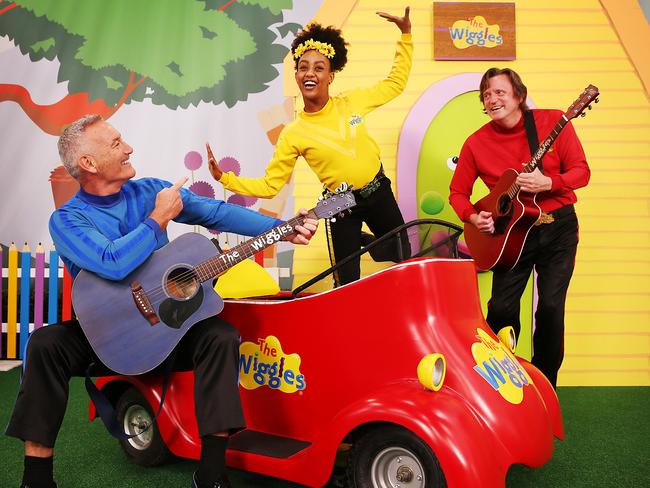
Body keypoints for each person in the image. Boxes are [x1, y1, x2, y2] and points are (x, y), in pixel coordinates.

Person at [5, 115, 318, 488]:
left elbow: (215, 213)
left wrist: (283, 227)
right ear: (88, 163)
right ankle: (36, 479)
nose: (129, 148)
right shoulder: (68, 219)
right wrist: (158, 218)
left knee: (220, 336)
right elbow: (112, 262)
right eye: (116, 143)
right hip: (108, 338)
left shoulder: (150, 190)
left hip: (168, 333)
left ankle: (212, 474)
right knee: (44, 343)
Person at [207, 7, 412, 286]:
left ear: (330, 76)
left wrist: (406, 35)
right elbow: (270, 186)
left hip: (378, 190)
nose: (309, 73)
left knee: (404, 255)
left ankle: (370, 244)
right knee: (347, 281)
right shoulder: (293, 133)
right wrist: (225, 179)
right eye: (303, 67)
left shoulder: (351, 103)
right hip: (341, 205)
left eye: (318, 67)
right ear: (296, 76)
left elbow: (395, 84)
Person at [449, 68, 590, 389]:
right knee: (500, 309)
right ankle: (503, 382)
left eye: (499, 92)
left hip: (558, 230)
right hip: (509, 236)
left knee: (551, 308)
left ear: (519, 96)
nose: (492, 99)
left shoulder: (553, 122)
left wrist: (550, 182)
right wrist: (473, 217)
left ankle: (545, 384)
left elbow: (582, 172)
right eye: (486, 95)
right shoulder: (476, 143)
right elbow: (457, 193)